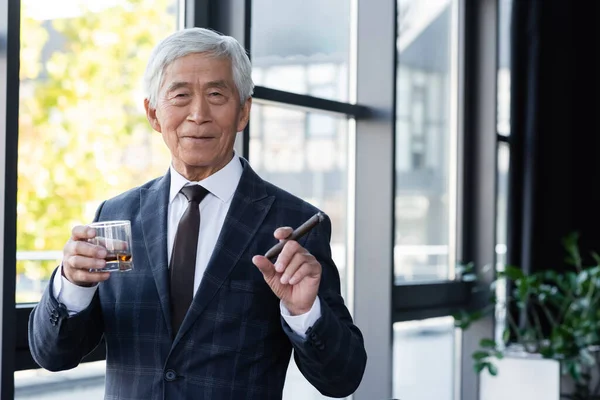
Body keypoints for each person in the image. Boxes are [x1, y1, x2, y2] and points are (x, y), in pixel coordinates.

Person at [28, 27, 367, 400]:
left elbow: (343, 378)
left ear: (243, 112)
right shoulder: (117, 214)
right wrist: (72, 286)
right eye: (180, 95)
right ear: (153, 114)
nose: (198, 114)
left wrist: (305, 312)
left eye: (217, 95)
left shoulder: (294, 224)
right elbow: (53, 356)